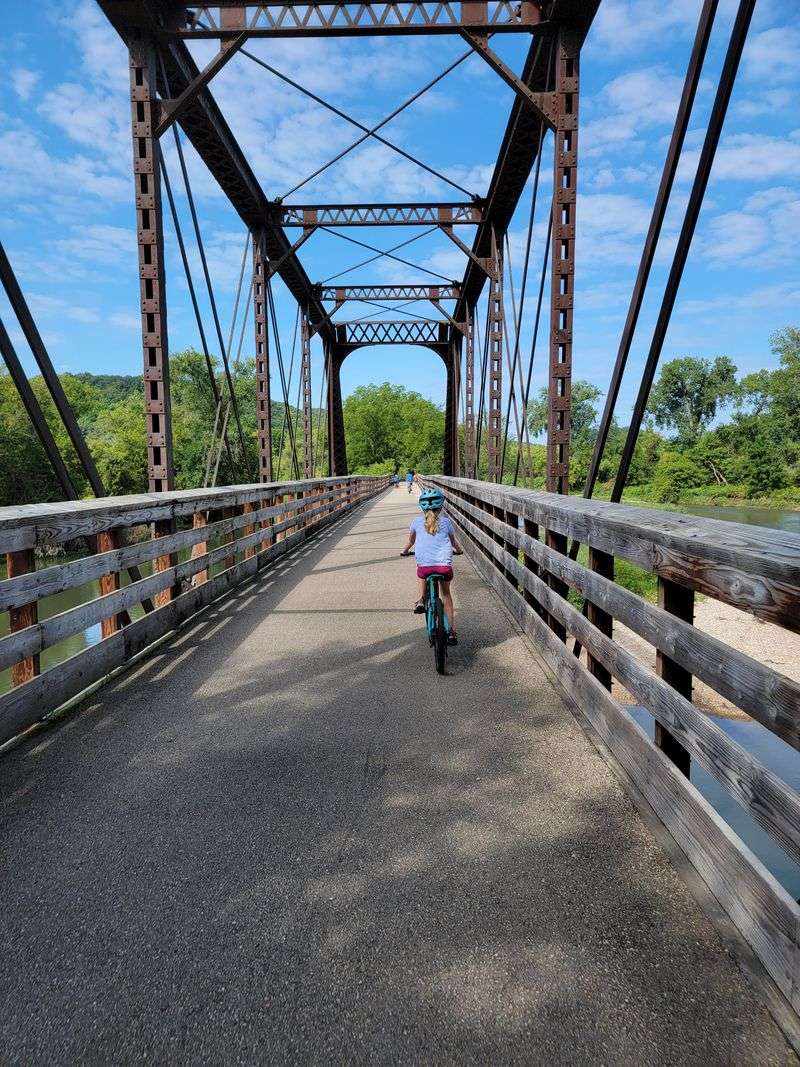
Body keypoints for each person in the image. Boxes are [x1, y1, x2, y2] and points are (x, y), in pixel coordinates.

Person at [400, 487, 463, 645]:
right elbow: (454, 543)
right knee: (446, 595)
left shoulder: (416, 522)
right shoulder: (447, 522)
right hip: (444, 568)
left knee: (421, 570)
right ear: (441, 507)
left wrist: (404, 551)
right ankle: (451, 632)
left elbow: (411, 542)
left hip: (426, 568)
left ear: (422, 507)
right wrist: (459, 551)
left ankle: (421, 599)